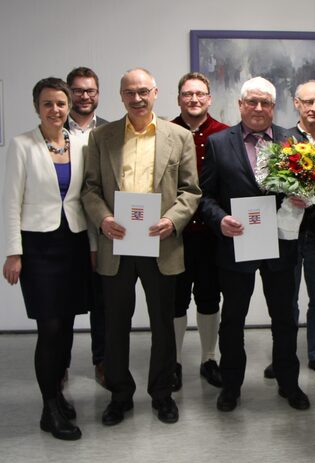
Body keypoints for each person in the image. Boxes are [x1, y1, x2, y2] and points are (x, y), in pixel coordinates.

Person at [82, 68, 200, 426]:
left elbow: (191, 191)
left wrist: (173, 220)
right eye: (130, 93)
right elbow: (89, 188)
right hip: (116, 244)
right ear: (121, 96)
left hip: (159, 243)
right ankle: (120, 395)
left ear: (155, 93)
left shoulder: (178, 136)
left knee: (163, 324)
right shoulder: (101, 137)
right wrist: (102, 218)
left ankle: (162, 394)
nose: (137, 98)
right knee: (115, 324)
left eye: (143, 92)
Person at [200, 76, 310, 412]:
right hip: (237, 247)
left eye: (265, 102)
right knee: (233, 321)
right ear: (240, 104)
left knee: (285, 319)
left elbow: (311, 186)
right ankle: (231, 387)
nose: (258, 108)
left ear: (273, 107)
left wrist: (305, 197)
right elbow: (204, 196)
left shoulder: (293, 141)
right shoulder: (218, 143)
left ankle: (289, 384)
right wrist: (220, 220)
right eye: (252, 101)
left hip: (281, 245)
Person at [2, 77, 93, 440]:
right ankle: (49, 407)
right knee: (49, 328)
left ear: (69, 106)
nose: (55, 110)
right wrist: (13, 252)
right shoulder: (22, 145)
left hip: (72, 243)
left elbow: (85, 196)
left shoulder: (82, 143)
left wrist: (91, 249)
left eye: (60, 103)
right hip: (37, 248)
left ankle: (55, 395)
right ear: (36, 107)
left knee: (67, 328)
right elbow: (11, 200)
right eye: (47, 104)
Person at [263, 80, 315, 380]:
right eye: (308, 102)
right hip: (286, 236)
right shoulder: (281, 140)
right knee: (286, 299)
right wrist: (287, 194)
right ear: (296, 103)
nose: (314, 108)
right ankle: (285, 354)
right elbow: (267, 184)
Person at [170, 72, 228, 391]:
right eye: (187, 94)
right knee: (176, 300)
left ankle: (209, 358)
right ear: (179, 98)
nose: (194, 99)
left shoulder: (224, 134)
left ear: (209, 99)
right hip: (174, 234)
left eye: (200, 94)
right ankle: (175, 363)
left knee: (208, 298)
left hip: (210, 235)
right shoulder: (165, 131)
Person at [65, 66, 108, 387]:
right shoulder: (51, 130)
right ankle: (59, 364)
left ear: (98, 94)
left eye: (90, 90)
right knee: (62, 303)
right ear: (68, 92)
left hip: (103, 227)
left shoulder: (109, 132)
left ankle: (102, 361)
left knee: (102, 301)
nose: (84, 96)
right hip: (64, 230)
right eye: (78, 90)